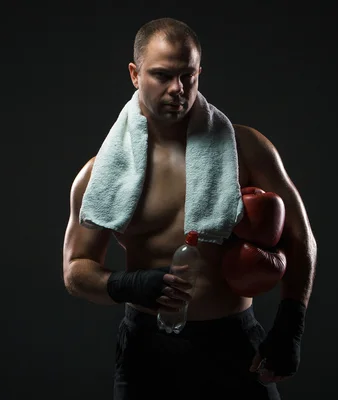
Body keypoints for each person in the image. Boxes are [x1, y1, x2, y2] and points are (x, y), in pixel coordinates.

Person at [62, 17, 317, 400]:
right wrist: (126, 285)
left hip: (232, 342)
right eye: (162, 75)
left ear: (200, 73)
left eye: (187, 76)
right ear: (135, 74)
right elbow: (75, 270)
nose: (176, 89)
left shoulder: (244, 149)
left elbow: (302, 238)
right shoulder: (100, 174)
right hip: (146, 348)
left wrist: (291, 323)